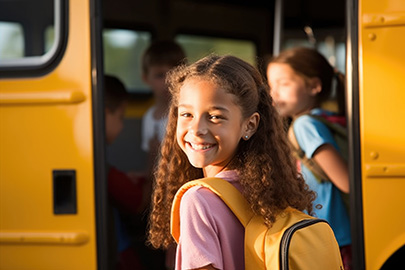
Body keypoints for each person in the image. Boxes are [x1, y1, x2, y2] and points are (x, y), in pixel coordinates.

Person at [147, 54, 316, 269]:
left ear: (250, 125)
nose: (197, 129)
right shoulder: (271, 191)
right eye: (187, 114)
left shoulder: (198, 201)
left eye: (216, 116)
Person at [266, 47, 352, 269]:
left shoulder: (306, 125)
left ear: (314, 86)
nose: (274, 93)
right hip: (333, 234)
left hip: (329, 233)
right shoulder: (327, 119)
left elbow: (346, 181)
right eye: (271, 85)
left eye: (283, 84)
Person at [140, 40, 186, 269]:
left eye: (173, 74)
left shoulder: (184, 113)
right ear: (145, 78)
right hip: (160, 188)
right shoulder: (149, 117)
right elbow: (151, 157)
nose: (167, 81)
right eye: (159, 75)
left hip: (180, 185)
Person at [104, 74, 144, 270]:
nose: (122, 125)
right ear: (103, 114)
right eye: (120, 117)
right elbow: (136, 201)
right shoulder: (102, 171)